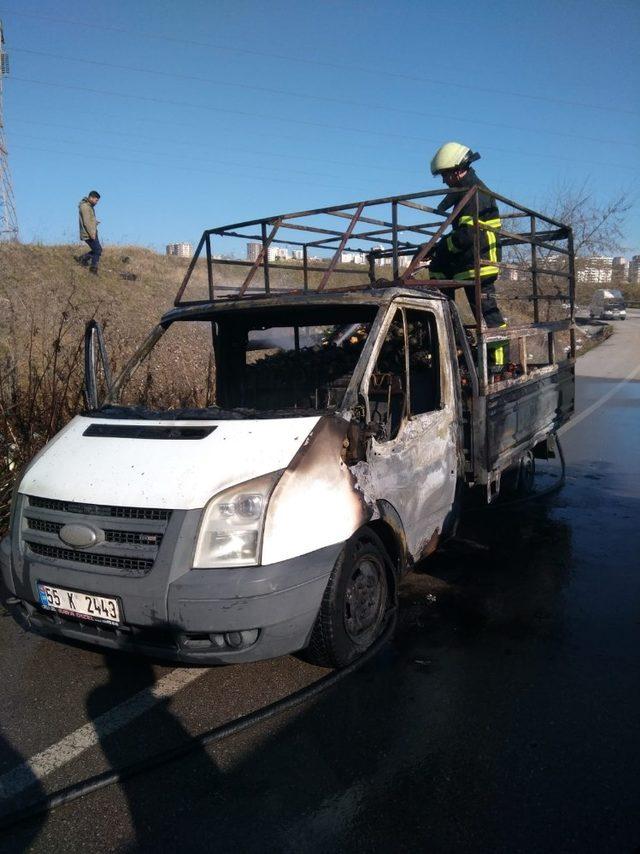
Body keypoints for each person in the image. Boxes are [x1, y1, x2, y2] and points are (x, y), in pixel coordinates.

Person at [423, 142, 507, 364]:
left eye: (445, 175)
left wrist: (441, 247)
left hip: (478, 262)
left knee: (488, 315)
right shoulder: (466, 192)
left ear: (458, 170)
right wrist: (437, 250)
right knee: (438, 271)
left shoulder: (475, 195)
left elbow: (468, 235)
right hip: (469, 262)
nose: (444, 180)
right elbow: (461, 234)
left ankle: (498, 361)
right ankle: (448, 332)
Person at [77, 190, 102, 275]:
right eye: (96, 200)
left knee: (97, 250)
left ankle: (83, 259)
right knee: (98, 250)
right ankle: (93, 269)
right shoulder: (85, 207)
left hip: (92, 231)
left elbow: (89, 220)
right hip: (89, 233)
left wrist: (95, 222)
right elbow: (86, 222)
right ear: (91, 197)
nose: (97, 202)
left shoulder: (89, 206)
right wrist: (92, 234)